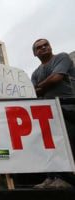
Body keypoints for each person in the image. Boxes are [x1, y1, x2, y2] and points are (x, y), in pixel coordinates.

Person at [31, 38, 75, 189]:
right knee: (51, 145)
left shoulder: (62, 57)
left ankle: (67, 179)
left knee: (68, 143)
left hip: (68, 108)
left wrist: (40, 86)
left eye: (46, 45)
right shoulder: (36, 72)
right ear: (35, 53)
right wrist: (41, 88)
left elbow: (57, 78)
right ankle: (51, 177)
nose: (43, 48)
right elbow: (32, 93)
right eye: (39, 47)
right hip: (48, 112)